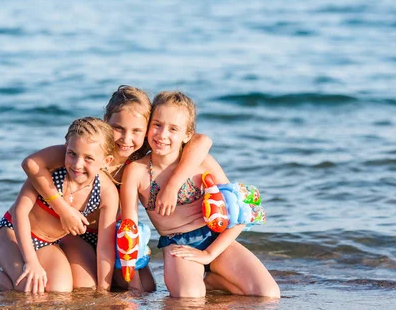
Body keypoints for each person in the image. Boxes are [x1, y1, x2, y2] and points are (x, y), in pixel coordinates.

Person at [21, 85, 213, 292]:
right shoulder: (89, 150)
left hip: (112, 237)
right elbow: (31, 164)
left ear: (147, 129)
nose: (126, 139)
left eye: (137, 131)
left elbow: (203, 141)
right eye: (118, 128)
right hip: (77, 232)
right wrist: (61, 208)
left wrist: (173, 185)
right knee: (85, 288)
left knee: (145, 288)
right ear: (106, 121)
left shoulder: (140, 154)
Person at [120, 91, 280, 298]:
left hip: (216, 240)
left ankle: (212, 281)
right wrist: (134, 287)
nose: (163, 135)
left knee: (268, 294)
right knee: (190, 298)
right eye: (157, 125)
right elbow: (130, 230)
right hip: (178, 245)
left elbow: (239, 212)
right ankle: (205, 282)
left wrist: (209, 253)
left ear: (187, 135)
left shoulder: (202, 162)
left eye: (173, 129)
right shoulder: (137, 171)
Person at [0, 117, 119, 294]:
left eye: (89, 158)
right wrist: (31, 262)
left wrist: (104, 289)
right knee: (28, 291)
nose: (78, 164)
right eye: (72, 153)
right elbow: (19, 212)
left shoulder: (105, 192)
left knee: (60, 291)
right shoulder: (50, 173)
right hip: (14, 233)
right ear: (65, 148)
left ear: (106, 161)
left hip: (48, 242)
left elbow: (105, 247)